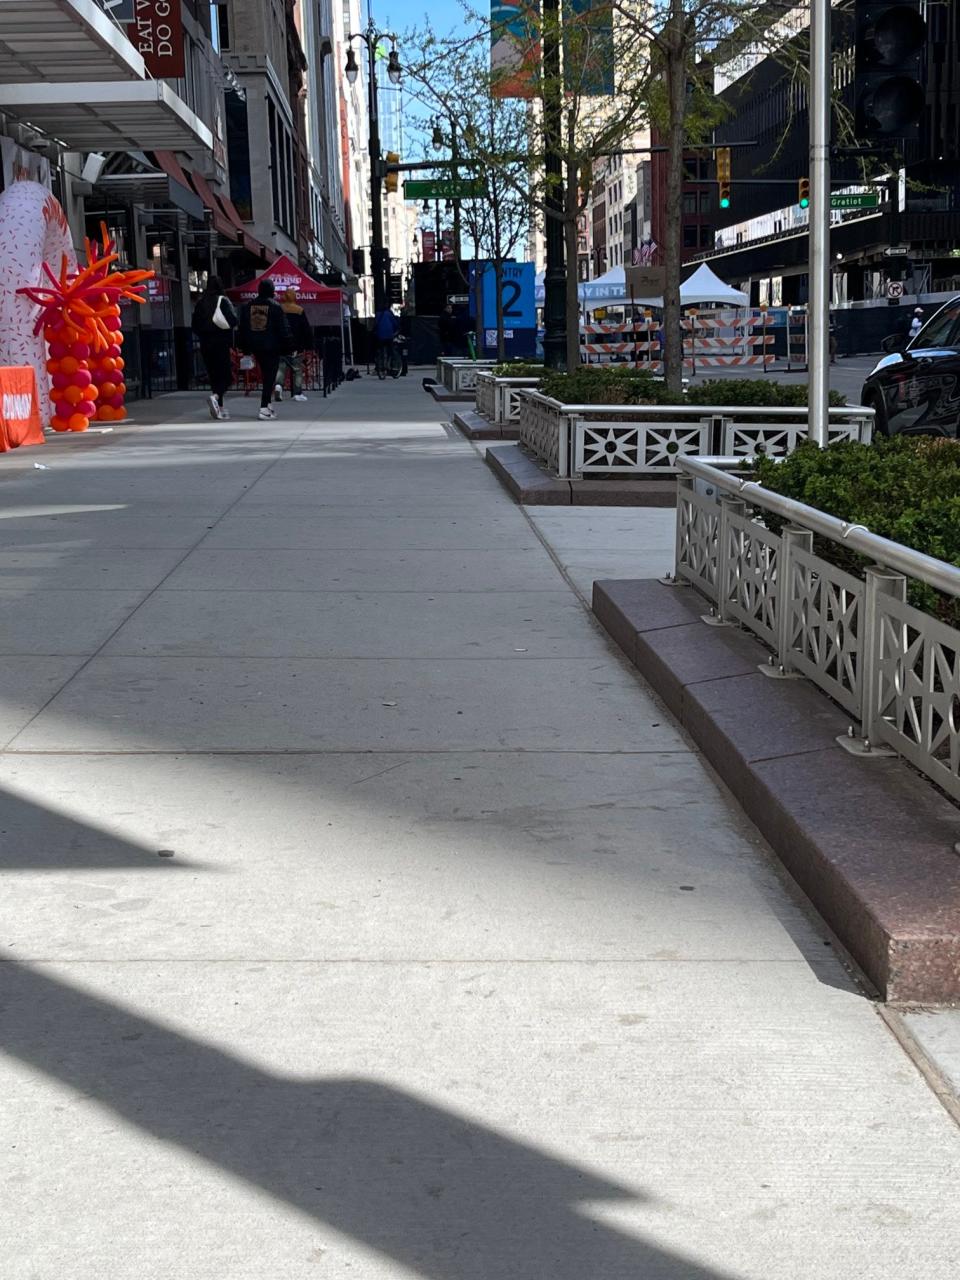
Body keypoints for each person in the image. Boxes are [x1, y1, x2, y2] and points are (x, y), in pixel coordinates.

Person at [237, 279, 291, 420]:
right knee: (269, 377)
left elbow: (242, 328)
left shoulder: (248, 306)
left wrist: (245, 348)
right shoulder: (275, 306)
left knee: (266, 375)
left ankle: (267, 405)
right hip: (271, 346)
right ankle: (264, 407)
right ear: (272, 291)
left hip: (254, 345)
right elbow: (283, 329)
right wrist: (288, 346)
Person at [191, 275, 237, 421]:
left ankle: (220, 407)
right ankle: (216, 397)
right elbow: (233, 320)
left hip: (205, 343)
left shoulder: (200, 303)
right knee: (227, 377)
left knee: (214, 376)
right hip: (221, 342)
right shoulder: (223, 301)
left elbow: (195, 325)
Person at [277, 288, 313, 402]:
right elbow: (305, 329)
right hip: (296, 345)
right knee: (297, 370)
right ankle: (297, 393)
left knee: (281, 368)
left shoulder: (279, 309)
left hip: (281, 344)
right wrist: (309, 345)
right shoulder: (299, 310)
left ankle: (279, 386)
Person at [373, 303, 399, 373]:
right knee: (390, 349)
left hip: (380, 336)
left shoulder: (378, 314)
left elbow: (375, 324)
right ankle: (389, 363)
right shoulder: (389, 314)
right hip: (389, 335)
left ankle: (379, 363)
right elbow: (395, 323)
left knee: (380, 348)